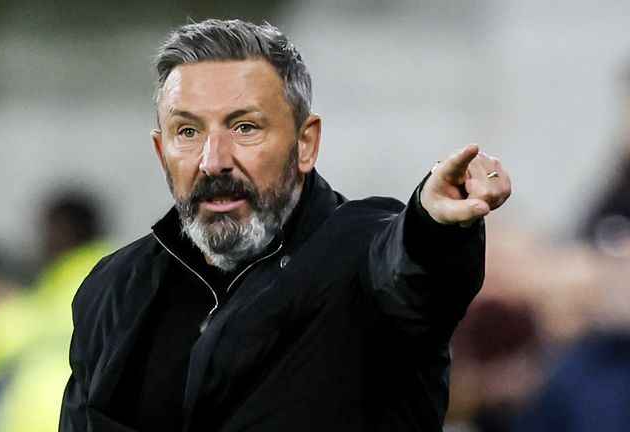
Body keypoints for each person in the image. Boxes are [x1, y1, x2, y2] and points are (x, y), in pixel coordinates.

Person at [59, 19, 511, 432]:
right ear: (162, 153)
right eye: (188, 132)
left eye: (245, 127)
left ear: (305, 144)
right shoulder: (114, 289)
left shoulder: (359, 256)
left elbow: (410, 269)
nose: (213, 161)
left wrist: (431, 222)